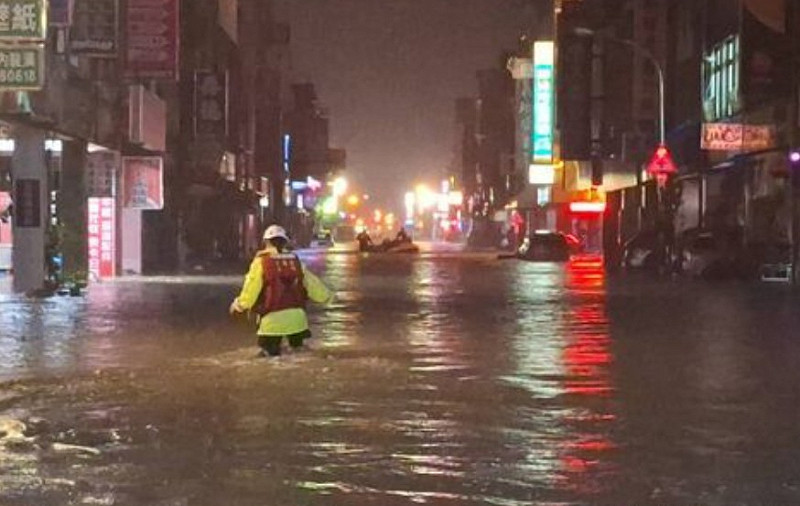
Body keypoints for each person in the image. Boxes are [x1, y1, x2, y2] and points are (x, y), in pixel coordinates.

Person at [229, 224, 333, 357]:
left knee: (269, 356)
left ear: (266, 242)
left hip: (271, 321)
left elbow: (251, 291)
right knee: (298, 353)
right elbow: (313, 285)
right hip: (298, 321)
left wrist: (238, 306)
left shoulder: (261, 262)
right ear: (285, 242)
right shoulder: (295, 262)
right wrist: (328, 297)